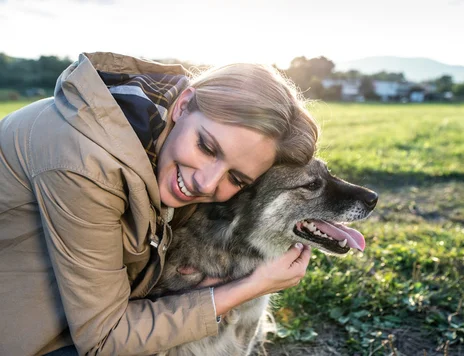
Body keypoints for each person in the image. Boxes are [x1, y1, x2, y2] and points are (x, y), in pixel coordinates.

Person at [0, 52, 319, 355]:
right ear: (183, 105)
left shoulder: (155, 134)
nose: (206, 183)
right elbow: (104, 339)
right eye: (207, 147)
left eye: (236, 178)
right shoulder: (84, 161)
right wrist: (247, 288)